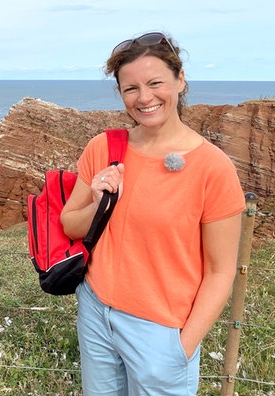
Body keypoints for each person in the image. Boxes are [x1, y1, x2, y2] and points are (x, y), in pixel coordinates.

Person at [61, 32, 245, 395]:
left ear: (180, 80)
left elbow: (220, 271)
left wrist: (181, 349)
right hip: (97, 313)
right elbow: (69, 225)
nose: (144, 98)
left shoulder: (213, 168)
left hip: (161, 332)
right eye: (130, 88)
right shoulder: (104, 148)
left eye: (155, 83)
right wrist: (100, 200)